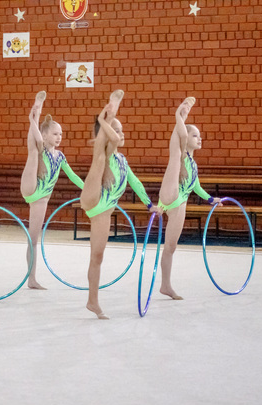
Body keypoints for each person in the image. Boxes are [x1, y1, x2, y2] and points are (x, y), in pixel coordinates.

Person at [79, 90, 159, 319]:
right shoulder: (104, 152)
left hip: (103, 210)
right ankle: (110, 112)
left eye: (121, 130)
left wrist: (150, 205)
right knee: (100, 156)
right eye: (115, 129)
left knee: (97, 256)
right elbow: (111, 140)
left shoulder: (122, 161)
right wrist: (104, 119)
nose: (120, 134)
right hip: (92, 197)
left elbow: (135, 183)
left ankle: (92, 302)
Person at [157, 97, 221, 300]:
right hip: (171, 193)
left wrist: (211, 200)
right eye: (195, 136)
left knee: (170, 247)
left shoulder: (193, 164)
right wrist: (180, 118)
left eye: (200, 136)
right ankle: (180, 115)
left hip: (179, 202)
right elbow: (182, 137)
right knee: (176, 154)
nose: (199, 139)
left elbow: (197, 187)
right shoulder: (182, 155)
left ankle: (165, 285)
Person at [20, 91, 85, 290]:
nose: (59, 137)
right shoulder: (40, 147)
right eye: (55, 134)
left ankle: (32, 279)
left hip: (41, 199)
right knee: (35, 149)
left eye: (61, 134)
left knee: (33, 239)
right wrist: (35, 121)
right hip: (30, 186)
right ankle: (35, 114)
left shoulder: (61, 156)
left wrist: (88, 189)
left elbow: (73, 176)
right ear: (46, 134)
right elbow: (38, 142)